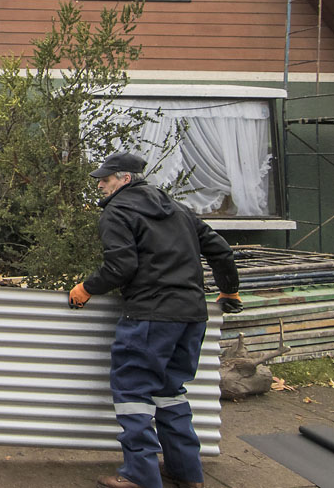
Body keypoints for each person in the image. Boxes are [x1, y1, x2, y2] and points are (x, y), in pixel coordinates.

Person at [68, 152, 243, 488]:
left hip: (150, 316)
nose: (101, 184)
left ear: (126, 179)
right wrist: (230, 291)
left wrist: (87, 288)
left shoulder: (118, 211)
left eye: (106, 179)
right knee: (170, 392)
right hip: (192, 316)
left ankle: (139, 475)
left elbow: (122, 267)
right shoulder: (179, 210)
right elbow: (220, 250)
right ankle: (186, 473)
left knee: (133, 392)